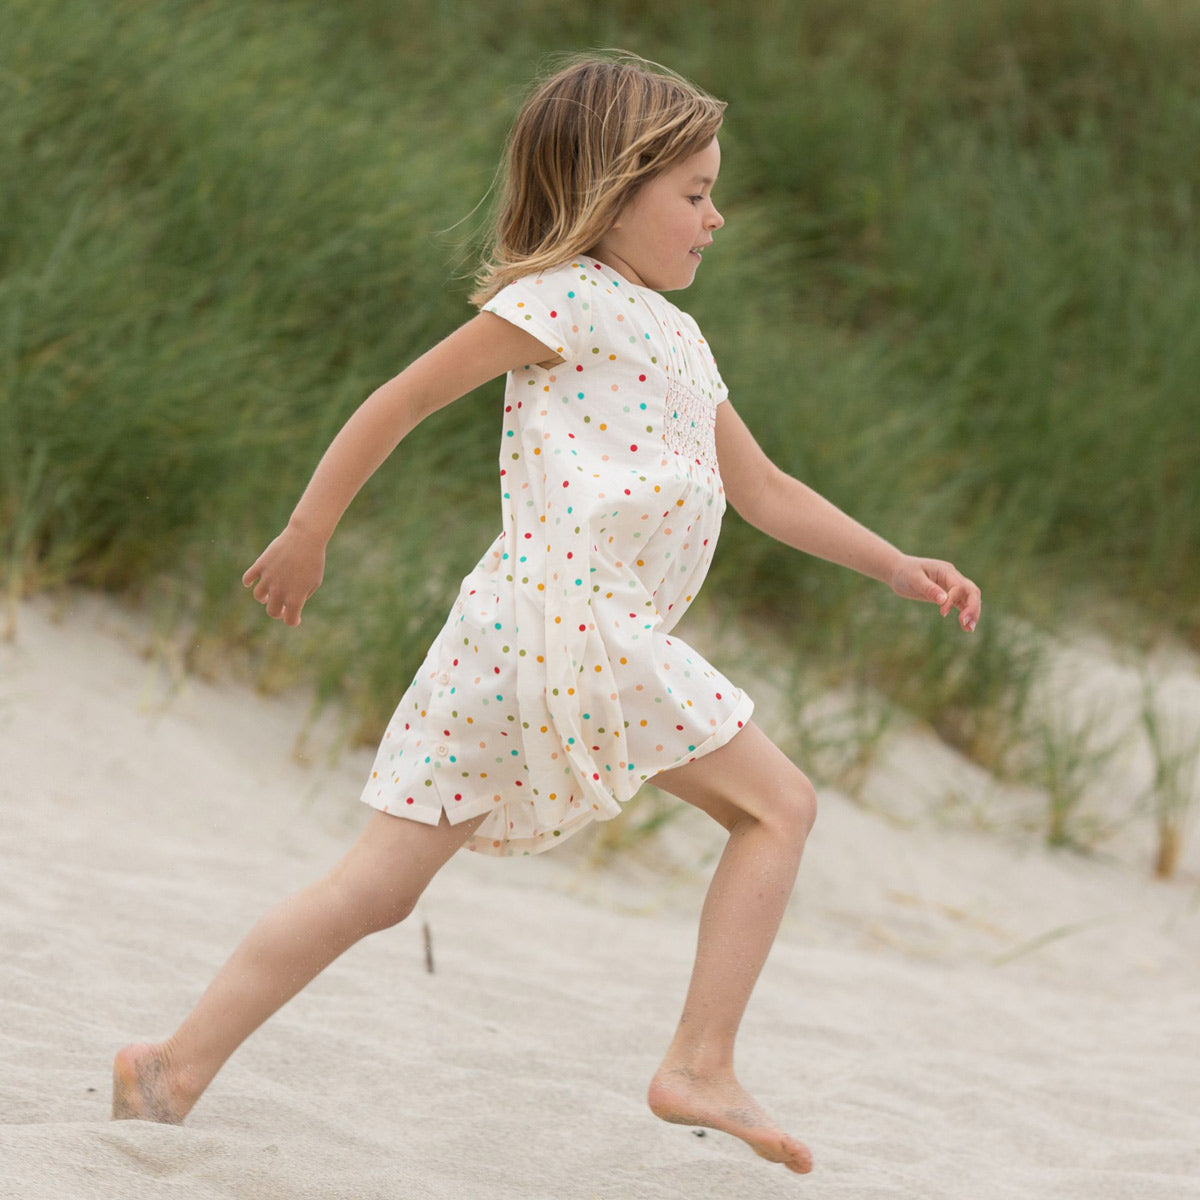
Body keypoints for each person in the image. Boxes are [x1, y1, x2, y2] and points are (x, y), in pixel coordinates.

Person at [112, 53, 980, 1175]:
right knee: (779, 808)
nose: (717, 217)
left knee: (375, 892)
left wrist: (893, 563)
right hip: (571, 622)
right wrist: (310, 529)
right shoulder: (564, 297)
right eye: (696, 194)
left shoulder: (677, 338)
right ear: (614, 192)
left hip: (521, 645)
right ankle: (700, 1064)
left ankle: (169, 1068)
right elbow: (405, 397)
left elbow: (764, 491)